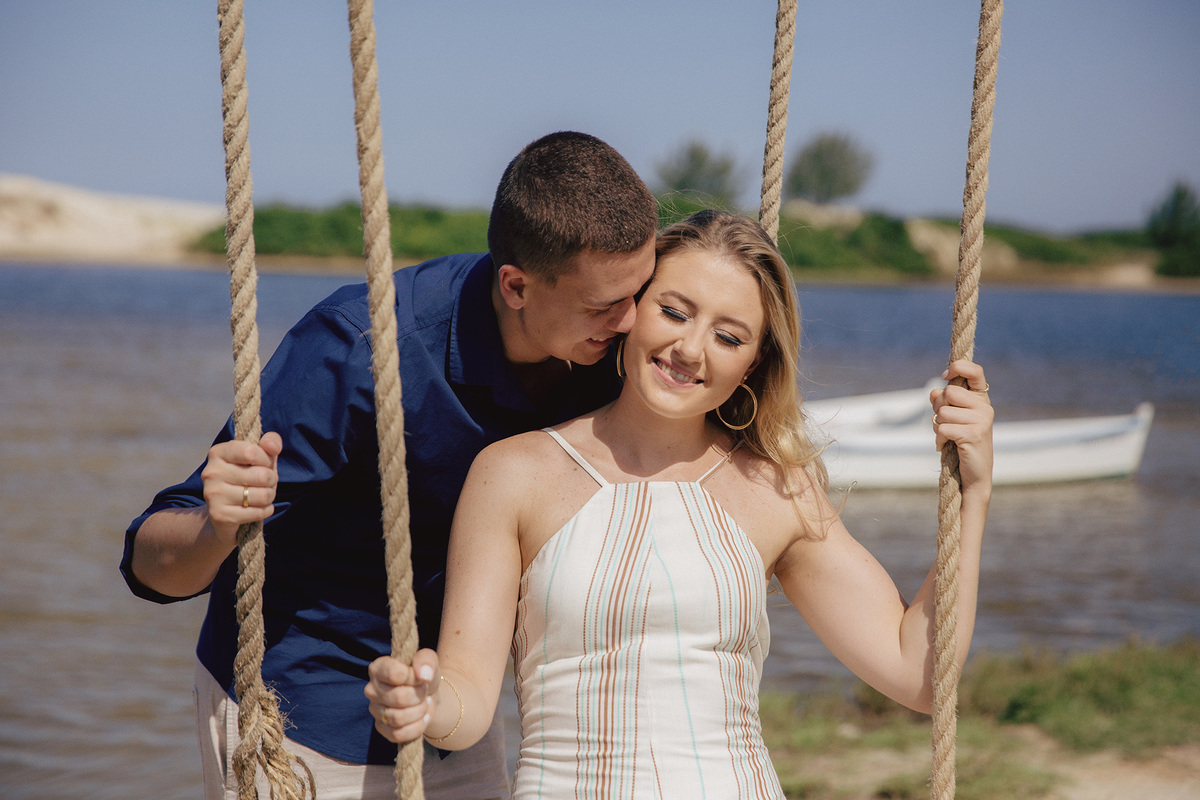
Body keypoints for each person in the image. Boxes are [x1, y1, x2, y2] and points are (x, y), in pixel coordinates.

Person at [364, 210, 995, 799]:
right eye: (673, 311)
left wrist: (974, 493)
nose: (691, 349)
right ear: (630, 309)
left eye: (728, 336)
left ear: (753, 362)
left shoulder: (775, 489)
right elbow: (470, 698)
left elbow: (917, 675)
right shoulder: (513, 473)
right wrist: (427, 705)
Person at [119, 131, 659, 800]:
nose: (633, 322)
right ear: (517, 286)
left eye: (640, 292)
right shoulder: (357, 350)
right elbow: (150, 566)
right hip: (299, 715)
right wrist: (216, 527)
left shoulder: (614, 348)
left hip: (457, 707)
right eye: (604, 306)